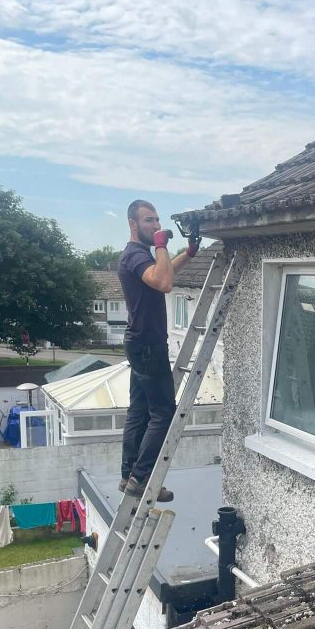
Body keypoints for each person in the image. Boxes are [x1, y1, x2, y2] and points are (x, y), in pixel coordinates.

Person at [118, 200, 199, 502]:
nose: (155, 225)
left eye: (157, 220)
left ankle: (129, 476)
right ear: (133, 224)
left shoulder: (138, 256)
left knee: (139, 411)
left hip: (139, 343)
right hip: (148, 346)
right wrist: (161, 244)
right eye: (148, 220)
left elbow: (160, 275)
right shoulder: (135, 254)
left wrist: (187, 254)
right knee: (163, 413)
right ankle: (141, 478)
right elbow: (164, 283)